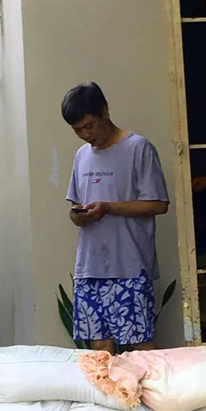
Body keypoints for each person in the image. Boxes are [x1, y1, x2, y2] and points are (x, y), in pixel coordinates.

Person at [63, 81, 169, 353]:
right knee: (100, 351)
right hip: (89, 267)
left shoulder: (139, 148)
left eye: (89, 126)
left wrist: (109, 208)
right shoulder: (81, 156)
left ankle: (150, 396)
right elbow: (76, 204)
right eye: (78, 130)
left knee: (140, 347)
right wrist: (80, 216)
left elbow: (158, 204)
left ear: (105, 112)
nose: (86, 135)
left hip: (130, 266)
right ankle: (110, 397)